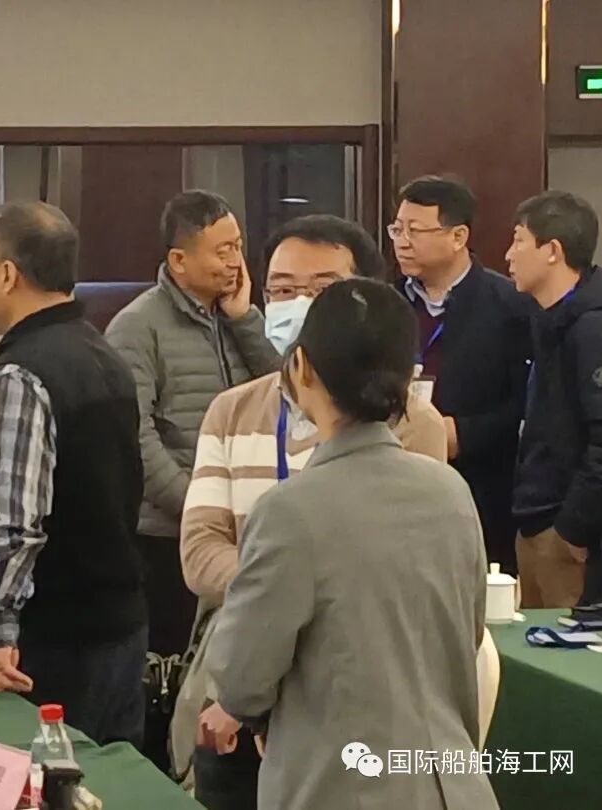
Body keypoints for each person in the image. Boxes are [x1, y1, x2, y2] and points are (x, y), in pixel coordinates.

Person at [176, 215, 447, 809]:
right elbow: (199, 553)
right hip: (239, 678)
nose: (299, 305)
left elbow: (405, 569)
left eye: (322, 290)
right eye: (282, 289)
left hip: (359, 692)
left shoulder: (414, 425)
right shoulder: (231, 412)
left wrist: (286, 584)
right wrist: (289, 587)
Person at [204, 278, 497, 810]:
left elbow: (241, 678)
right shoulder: (450, 492)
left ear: (301, 368)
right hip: (453, 786)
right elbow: (468, 633)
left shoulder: (291, 511)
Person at [0, 202, 148, 747]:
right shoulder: (105, 355)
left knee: (45, 780)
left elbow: (12, 524)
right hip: (122, 622)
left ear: (7, 274)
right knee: (110, 779)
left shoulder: (20, 374)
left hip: (53, 638)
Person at [105, 190, 279, 657]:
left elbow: (287, 395)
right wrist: (198, 504)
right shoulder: (137, 326)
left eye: (238, 246)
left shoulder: (237, 317)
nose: (235, 262)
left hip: (245, 528)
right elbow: (135, 436)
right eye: (222, 251)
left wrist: (245, 321)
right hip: (167, 535)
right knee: (178, 663)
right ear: (179, 261)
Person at [392, 175, 531, 573]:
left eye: (415, 230)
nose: (402, 241)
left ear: (458, 237)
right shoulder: (386, 303)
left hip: (482, 492)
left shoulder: (509, 306)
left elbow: (528, 407)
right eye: (397, 229)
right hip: (397, 488)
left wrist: (462, 435)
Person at [508, 191, 602, 607]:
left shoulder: (594, 328)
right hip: (533, 517)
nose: (508, 255)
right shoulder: (545, 318)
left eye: (519, 240)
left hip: (566, 532)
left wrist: (572, 530)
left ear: (552, 251)